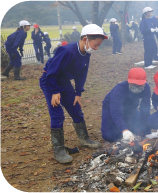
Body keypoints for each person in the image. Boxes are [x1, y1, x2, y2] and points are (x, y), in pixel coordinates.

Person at [39, 24, 108, 164]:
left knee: (76, 109)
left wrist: (78, 93)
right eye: (95, 45)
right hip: (50, 81)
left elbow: (82, 73)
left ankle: (84, 139)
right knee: (57, 115)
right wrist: (54, 92)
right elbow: (52, 72)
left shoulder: (86, 54)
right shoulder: (67, 51)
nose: (96, 48)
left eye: (98, 46)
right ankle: (58, 149)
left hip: (63, 82)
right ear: (85, 39)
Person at [101, 68, 151, 142]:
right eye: (134, 84)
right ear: (128, 81)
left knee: (137, 129)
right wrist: (124, 130)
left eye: (140, 85)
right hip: (111, 108)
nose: (137, 87)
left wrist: (145, 129)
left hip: (131, 108)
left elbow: (145, 109)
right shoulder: (119, 90)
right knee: (109, 136)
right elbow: (116, 112)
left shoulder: (146, 88)